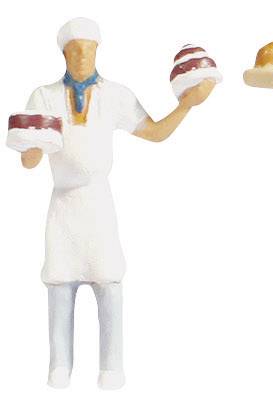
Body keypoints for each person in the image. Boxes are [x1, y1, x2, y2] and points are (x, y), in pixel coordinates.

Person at [18, 17, 214, 389]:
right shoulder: (43, 97)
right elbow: (29, 160)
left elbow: (155, 132)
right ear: (63, 54)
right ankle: (59, 367)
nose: (82, 57)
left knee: (109, 283)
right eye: (75, 50)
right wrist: (29, 150)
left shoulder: (116, 95)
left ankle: (111, 367)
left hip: (98, 205)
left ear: (98, 51)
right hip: (63, 207)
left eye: (88, 50)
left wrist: (187, 106)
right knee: (59, 284)